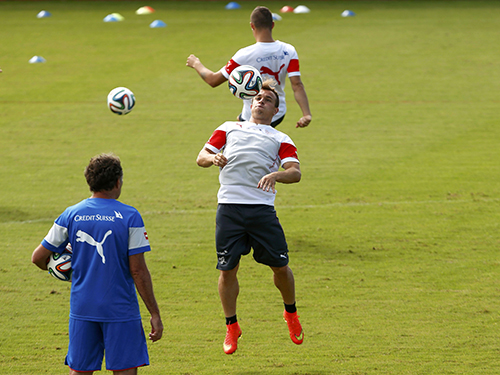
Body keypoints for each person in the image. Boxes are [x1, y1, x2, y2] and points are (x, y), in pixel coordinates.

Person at [196, 80, 304, 355]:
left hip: (261, 210)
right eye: (257, 98)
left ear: (276, 110)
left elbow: (295, 172)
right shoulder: (229, 127)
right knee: (227, 269)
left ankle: (290, 313)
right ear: (249, 103)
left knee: (280, 267)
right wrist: (214, 158)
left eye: (267, 99)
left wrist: (276, 174)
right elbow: (201, 157)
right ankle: (232, 326)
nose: (260, 102)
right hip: (229, 208)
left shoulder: (281, 138)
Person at [32, 153, 163, 375]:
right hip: (120, 309)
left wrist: (64, 271)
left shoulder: (71, 214)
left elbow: (38, 258)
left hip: (83, 307)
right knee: (124, 370)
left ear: (89, 181)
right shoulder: (130, 217)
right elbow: (138, 271)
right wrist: (155, 314)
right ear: (117, 182)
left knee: (80, 370)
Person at [187, 5, 312, 129]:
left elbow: (213, 80)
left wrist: (196, 64)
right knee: (242, 121)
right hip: (277, 112)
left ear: (252, 26)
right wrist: (306, 114)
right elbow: (297, 85)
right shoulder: (289, 50)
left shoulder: (245, 55)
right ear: (272, 25)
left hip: (254, 113)